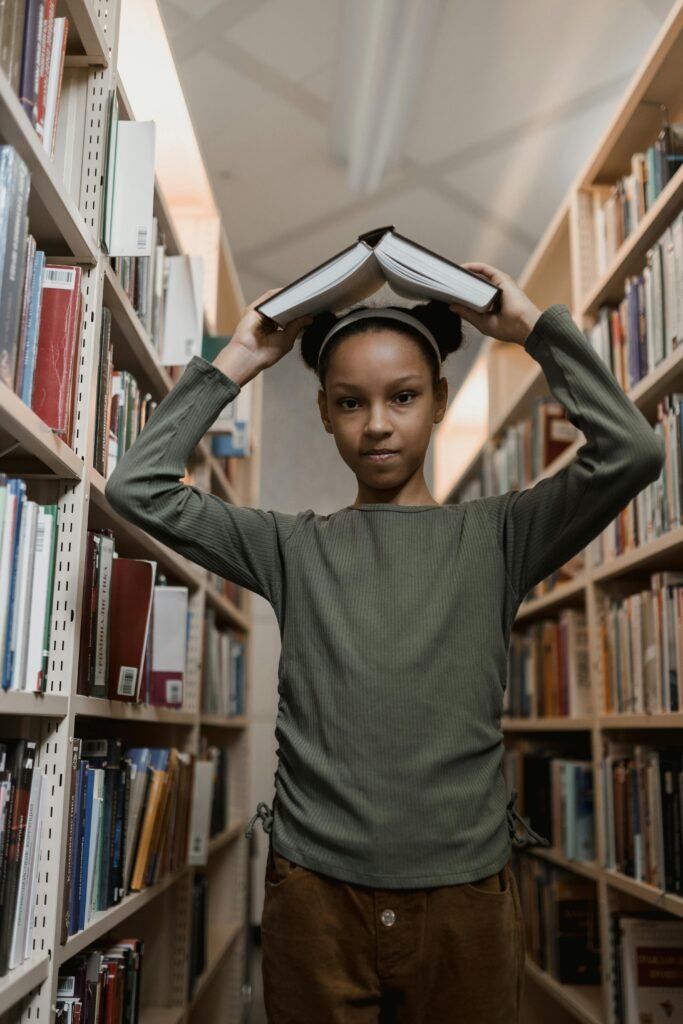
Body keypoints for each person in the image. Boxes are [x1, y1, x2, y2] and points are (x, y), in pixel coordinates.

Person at [104, 260, 664, 1023]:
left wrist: (531, 330)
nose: (375, 423)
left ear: (438, 402)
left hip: (464, 898)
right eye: (349, 403)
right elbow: (138, 488)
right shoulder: (289, 547)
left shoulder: (500, 534)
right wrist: (239, 358)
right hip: (313, 899)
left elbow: (632, 452)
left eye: (401, 397)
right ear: (326, 414)